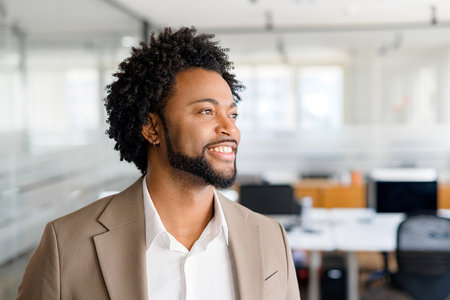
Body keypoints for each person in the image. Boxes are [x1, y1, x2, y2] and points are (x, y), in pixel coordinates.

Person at [16, 27, 300, 300]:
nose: (230, 129)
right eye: (206, 111)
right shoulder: (67, 244)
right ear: (152, 128)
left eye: (233, 114)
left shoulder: (269, 237)